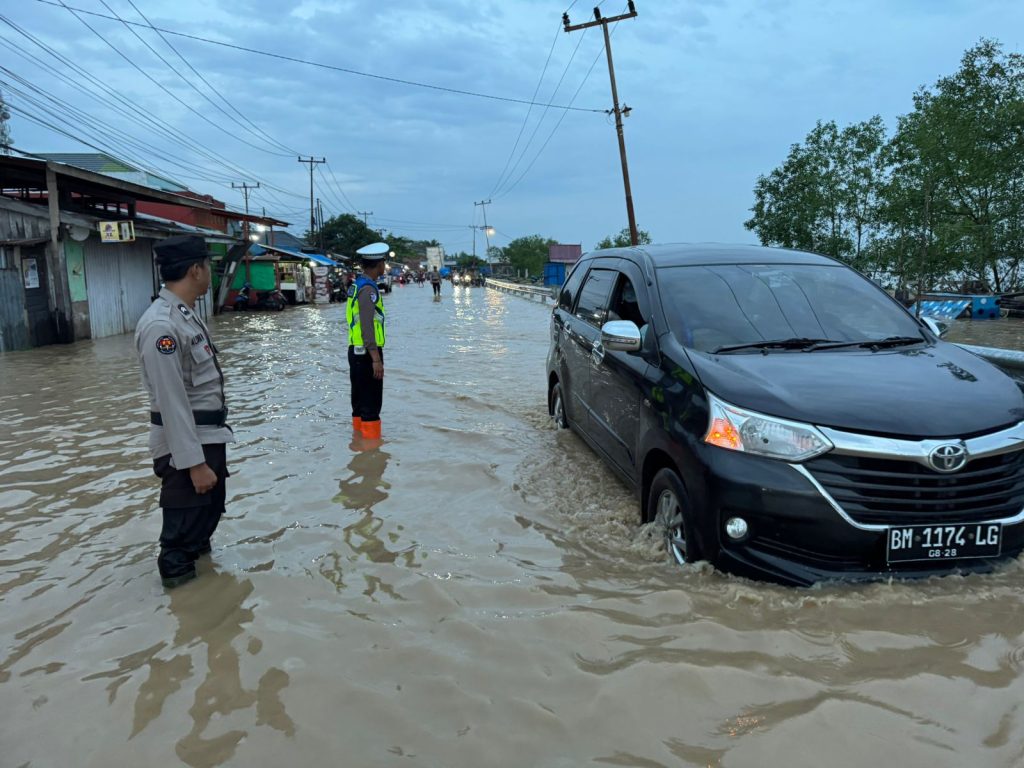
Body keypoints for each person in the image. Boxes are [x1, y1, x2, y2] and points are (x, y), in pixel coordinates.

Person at [134, 235, 233, 589]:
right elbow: (172, 401)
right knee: (179, 545)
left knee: (201, 529)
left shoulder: (185, 315)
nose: (210, 273)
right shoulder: (162, 325)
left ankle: (209, 602)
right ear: (195, 270)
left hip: (207, 438)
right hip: (186, 449)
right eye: (208, 266)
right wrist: (194, 463)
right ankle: (185, 607)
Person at [346, 242, 389, 440]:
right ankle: (372, 449)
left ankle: (359, 445)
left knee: (359, 402)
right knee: (371, 404)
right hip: (367, 354)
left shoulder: (357, 285)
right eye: (384, 263)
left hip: (356, 351)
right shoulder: (368, 289)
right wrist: (376, 359)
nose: (384, 267)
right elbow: (367, 325)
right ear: (379, 264)